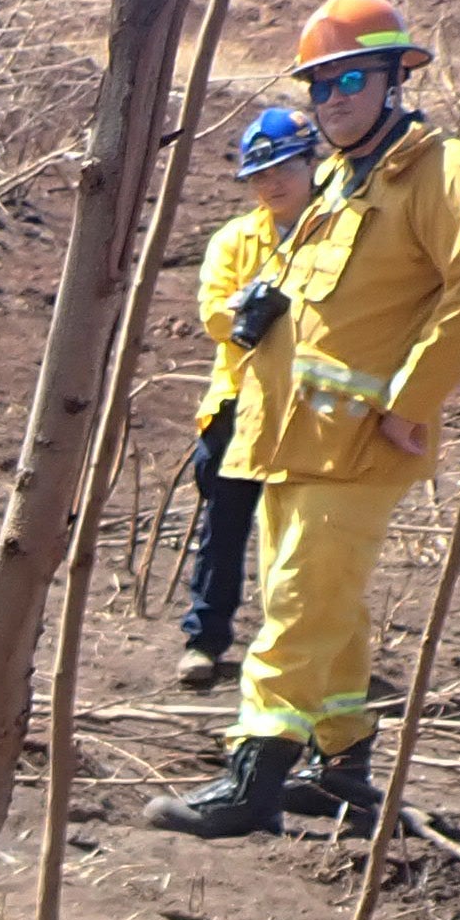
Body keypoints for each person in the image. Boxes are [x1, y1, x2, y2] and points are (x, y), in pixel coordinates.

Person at [147, 0, 460, 839]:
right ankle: (342, 765)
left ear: (394, 77)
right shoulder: (339, 182)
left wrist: (411, 404)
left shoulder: (438, 170)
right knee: (322, 604)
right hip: (286, 438)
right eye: (320, 85)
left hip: (359, 442)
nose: (334, 97)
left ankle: (251, 781)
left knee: (297, 608)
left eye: (350, 78)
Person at [174, 107, 322, 689]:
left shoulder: (341, 231)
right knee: (225, 525)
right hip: (239, 402)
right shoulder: (235, 240)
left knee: (303, 532)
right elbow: (215, 313)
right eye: (260, 174)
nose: (273, 182)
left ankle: (293, 646)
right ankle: (205, 641)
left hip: (311, 400)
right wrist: (256, 305)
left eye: (284, 167)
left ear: (313, 163)